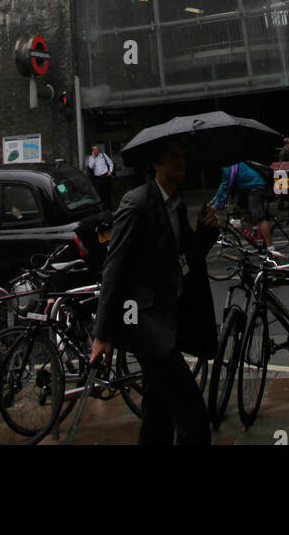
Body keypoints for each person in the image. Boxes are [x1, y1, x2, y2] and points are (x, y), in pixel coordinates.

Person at [89, 138, 218, 444]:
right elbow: (115, 269)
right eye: (173, 157)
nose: (180, 162)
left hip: (168, 320)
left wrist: (206, 231)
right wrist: (102, 335)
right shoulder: (137, 204)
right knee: (194, 419)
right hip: (148, 327)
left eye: (182, 156)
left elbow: (185, 258)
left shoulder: (177, 203)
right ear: (156, 165)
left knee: (157, 415)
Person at [213, 161, 274, 248]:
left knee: (259, 217)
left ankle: (271, 248)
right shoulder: (227, 167)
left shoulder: (227, 167)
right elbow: (223, 186)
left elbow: (225, 186)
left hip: (256, 186)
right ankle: (257, 230)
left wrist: (216, 205)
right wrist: (213, 201)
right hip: (247, 188)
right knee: (239, 209)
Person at [86, 144, 114, 209]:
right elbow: (90, 167)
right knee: (99, 194)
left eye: (97, 149)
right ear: (92, 151)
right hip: (97, 179)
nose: (97, 150)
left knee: (107, 193)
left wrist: (110, 171)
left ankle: (109, 208)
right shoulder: (91, 158)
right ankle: (102, 209)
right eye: (95, 149)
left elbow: (110, 163)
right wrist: (93, 158)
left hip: (105, 176)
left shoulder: (103, 155)